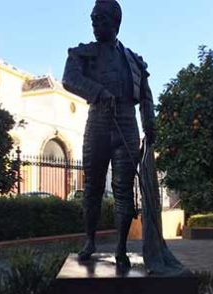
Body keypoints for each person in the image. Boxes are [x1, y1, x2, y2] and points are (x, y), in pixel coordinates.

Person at [62, 0, 155, 268]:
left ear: (115, 23)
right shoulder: (82, 53)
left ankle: (121, 248)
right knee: (92, 188)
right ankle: (89, 240)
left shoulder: (134, 61)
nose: (94, 24)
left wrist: (150, 126)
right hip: (99, 122)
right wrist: (99, 92)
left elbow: (146, 98)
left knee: (123, 191)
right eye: (92, 19)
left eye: (100, 19)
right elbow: (69, 78)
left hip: (126, 122)